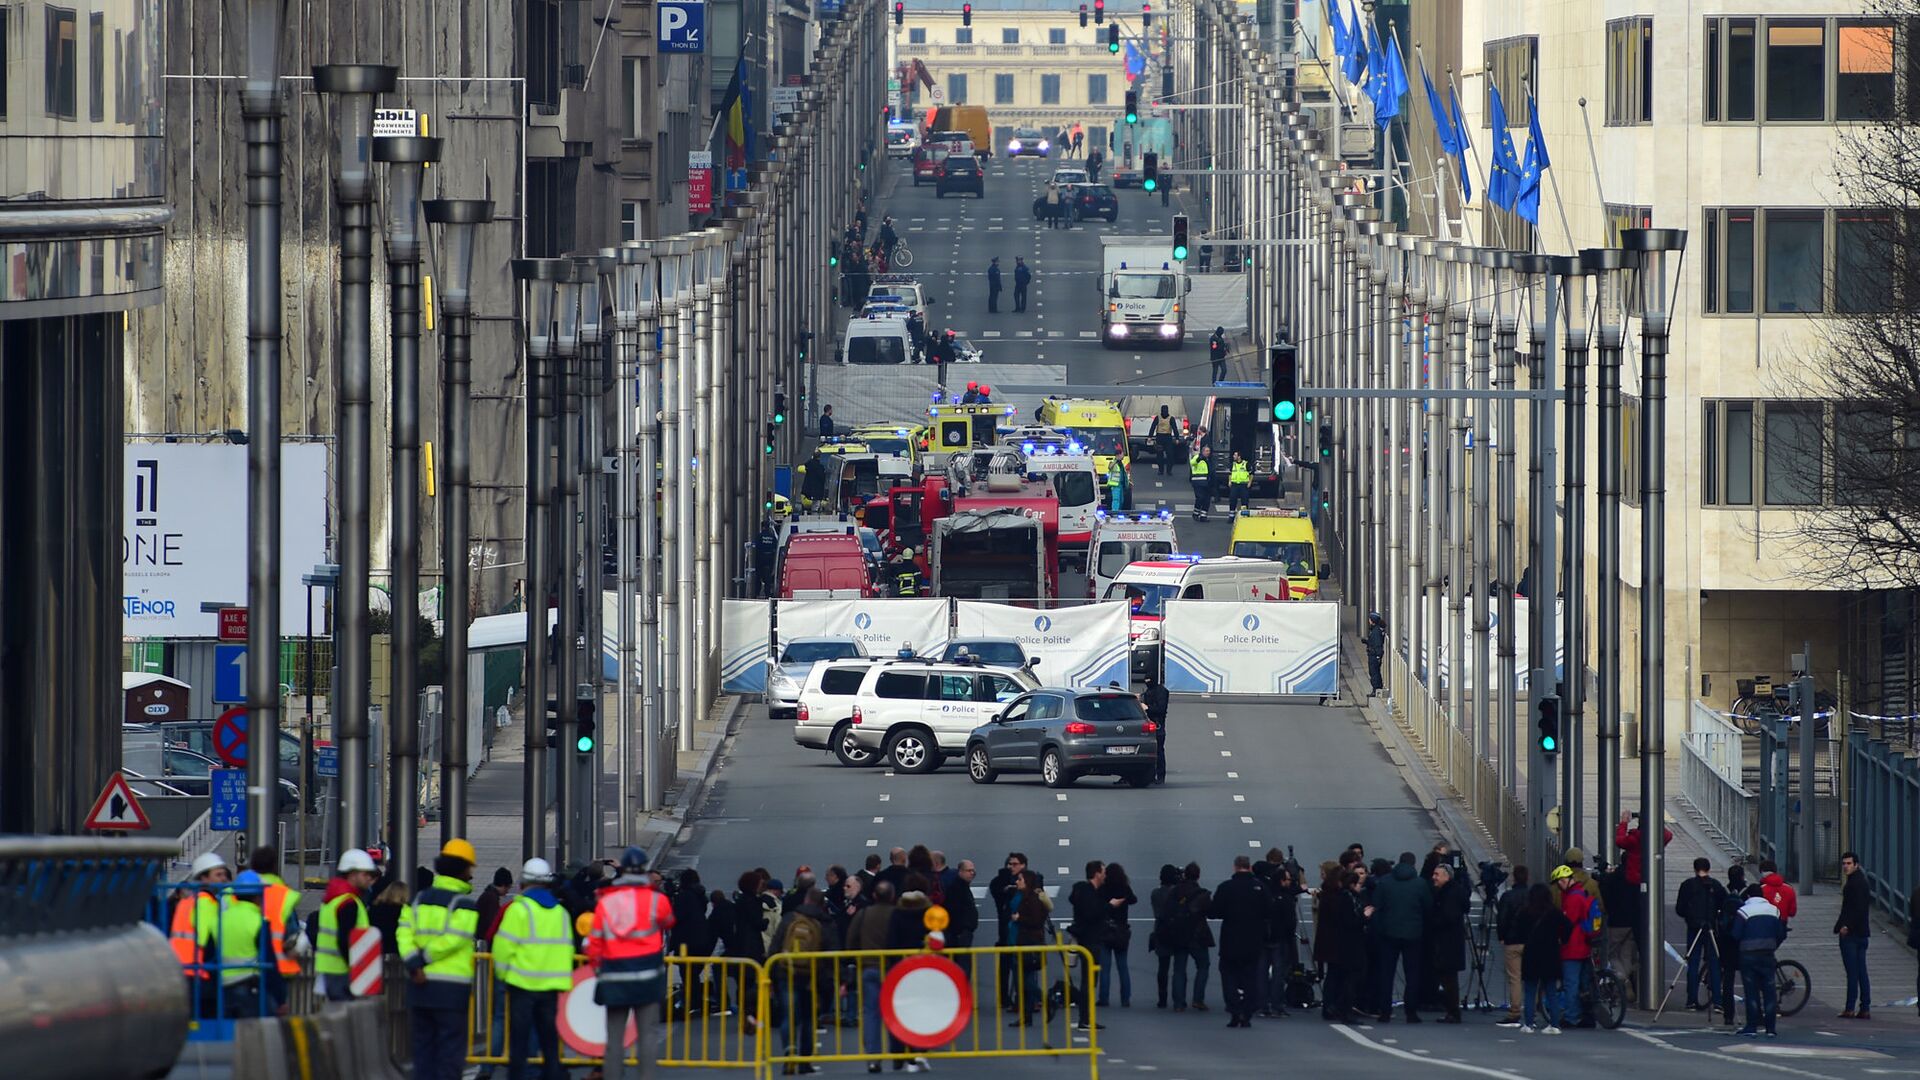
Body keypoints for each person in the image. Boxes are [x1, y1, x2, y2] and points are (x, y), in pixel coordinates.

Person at [398, 838, 481, 1080]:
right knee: (449, 1053)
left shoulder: (417, 900)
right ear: (465, 869)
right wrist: (424, 959)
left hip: (419, 986)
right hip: (451, 990)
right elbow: (454, 939)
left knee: (422, 1051)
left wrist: (414, 964)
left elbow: (403, 932)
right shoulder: (464, 905)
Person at [590, 848, 675, 1080]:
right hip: (647, 976)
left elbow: (594, 942)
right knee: (647, 1035)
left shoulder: (607, 901)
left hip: (614, 976)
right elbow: (669, 921)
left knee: (614, 1038)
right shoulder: (657, 900)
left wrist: (598, 968)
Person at [492, 858, 571, 1080]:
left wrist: (503, 975)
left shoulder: (519, 910)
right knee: (549, 1044)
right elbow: (566, 950)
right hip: (551, 989)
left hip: (521, 986)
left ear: (523, 883)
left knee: (519, 1043)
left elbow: (502, 947)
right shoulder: (560, 913)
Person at [200, 870, 288, 1020]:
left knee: (229, 1037)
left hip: (223, 992)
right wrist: (280, 999)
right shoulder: (259, 922)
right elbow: (269, 962)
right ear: (258, 897)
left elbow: (208, 958)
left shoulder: (219, 920)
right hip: (251, 990)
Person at [1370, 851, 1431, 1023]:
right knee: (1412, 974)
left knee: (1386, 974)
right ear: (1413, 864)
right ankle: (1411, 1011)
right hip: (1413, 933)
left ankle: (1385, 1011)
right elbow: (1428, 907)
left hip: (1388, 933)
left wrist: (1381, 928)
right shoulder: (1420, 884)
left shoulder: (1385, 882)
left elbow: (1377, 907)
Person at [314, 848, 379, 1002]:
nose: (369, 879)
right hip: (345, 972)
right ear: (352, 874)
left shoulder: (333, 899)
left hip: (330, 970)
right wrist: (360, 967)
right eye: (365, 874)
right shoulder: (348, 902)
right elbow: (345, 939)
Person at [1506, 883, 1571, 1033]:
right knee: (1551, 991)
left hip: (1532, 954)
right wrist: (1561, 939)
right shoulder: (1555, 912)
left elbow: (1518, 932)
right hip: (1551, 954)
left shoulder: (1525, 912)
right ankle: (1554, 1024)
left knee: (1530, 991)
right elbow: (1567, 928)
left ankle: (1529, 1023)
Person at [1212, 856, 1267, 1028]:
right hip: (1253, 939)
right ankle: (1248, 1011)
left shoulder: (1226, 887)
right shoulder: (1259, 888)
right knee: (1250, 977)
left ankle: (1234, 1009)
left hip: (1230, 939)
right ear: (1249, 867)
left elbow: (1214, 912)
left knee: (1229, 976)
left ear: (1235, 867)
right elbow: (1269, 910)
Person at [170, 851, 230, 1009]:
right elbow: (207, 941)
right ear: (204, 878)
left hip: (181, 972)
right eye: (218, 875)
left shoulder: (187, 902)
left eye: (223, 874)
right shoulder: (206, 903)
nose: (223, 879)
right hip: (200, 974)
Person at [1672, 856, 1728, 1013]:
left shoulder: (1688, 885)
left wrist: (1690, 917)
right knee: (1714, 965)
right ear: (1709, 868)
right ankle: (1718, 1002)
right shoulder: (1716, 886)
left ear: (1695, 869)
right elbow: (1724, 904)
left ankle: (1691, 1001)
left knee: (1693, 963)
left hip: (1694, 928)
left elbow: (1679, 909)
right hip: (1710, 928)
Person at [248, 846, 304, 1003]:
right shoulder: (283, 894)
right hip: (277, 970)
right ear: (274, 865)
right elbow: (292, 932)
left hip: (240, 971)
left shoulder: (233, 892)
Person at [1734, 884, 1786, 1037]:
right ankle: (1771, 1028)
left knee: (1751, 991)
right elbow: (1781, 933)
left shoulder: (1743, 911)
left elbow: (1736, 934)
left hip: (1748, 955)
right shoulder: (1774, 910)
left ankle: (1752, 1026)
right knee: (1769, 991)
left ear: (1749, 896)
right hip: (1768, 954)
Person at [1319, 869, 1371, 1023]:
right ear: (1353, 884)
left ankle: (1332, 1007)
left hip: (1339, 944)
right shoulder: (1348, 899)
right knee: (1350, 978)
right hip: (1349, 945)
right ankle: (1344, 1009)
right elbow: (1350, 922)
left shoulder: (1338, 896)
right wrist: (1364, 917)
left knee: (1336, 976)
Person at [1549, 864, 1593, 1030]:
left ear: (1565, 880)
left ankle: (1571, 1017)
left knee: (1571, 984)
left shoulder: (1573, 898)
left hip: (1573, 948)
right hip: (1583, 945)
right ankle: (1585, 1015)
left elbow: (1568, 922)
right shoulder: (1581, 893)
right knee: (1582, 984)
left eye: (1559, 882)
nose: (1558, 887)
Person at [1066, 861, 1108, 1028]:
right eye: (1103, 872)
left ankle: (1086, 1017)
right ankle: (1085, 1018)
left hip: (1086, 939)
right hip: (1091, 940)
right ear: (1097, 874)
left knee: (1088, 981)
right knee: (1089, 981)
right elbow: (1092, 913)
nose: (1105, 875)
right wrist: (1107, 906)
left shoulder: (1082, 891)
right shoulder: (1090, 894)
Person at [1167, 862, 1213, 1012]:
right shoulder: (1201, 894)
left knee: (1179, 969)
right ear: (1198, 876)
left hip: (1179, 934)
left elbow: (1168, 910)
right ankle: (1198, 999)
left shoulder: (1175, 891)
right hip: (1198, 934)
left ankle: (1178, 1003)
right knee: (1203, 965)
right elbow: (1211, 912)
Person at [1426, 864, 1468, 1023]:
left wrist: (1433, 921)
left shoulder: (1448, 894)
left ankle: (1452, 1011)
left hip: (1446, 942)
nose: (1434, 877)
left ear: (1446, 876)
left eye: (1437, 874)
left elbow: (1447, 917)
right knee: (1449, 977)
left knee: (1448, 978)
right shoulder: (1455, 891)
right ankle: (1452, 1010)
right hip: (1452, 941)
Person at [1493, 866, 1531, 1024]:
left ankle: (1515, 1010)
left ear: (1514, 878)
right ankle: (1532, 1010)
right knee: (1531, 977)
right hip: (1530, 941)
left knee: (1514, 978)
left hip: (1512, 941)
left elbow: (1502, 918)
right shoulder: (1532, 896)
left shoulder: (1508, 896)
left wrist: (1502, 936)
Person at [989, 853, 1028, 1008]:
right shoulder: (999, 882)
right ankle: (1004, 998)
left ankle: (1024, 997)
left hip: (1025, 930)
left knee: (1025, 967)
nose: (1012, 867)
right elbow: (997, 893)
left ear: (1023, 865)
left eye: (1015, 864)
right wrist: (1006, 881)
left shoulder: (1030, 880)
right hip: (1005, 930)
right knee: (1005, 966)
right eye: (1010, 864)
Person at [1836, 851, 1872, 1019]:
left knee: (1852, 972)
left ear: (1856, 865)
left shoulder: (1853, 884)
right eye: (1844, 863)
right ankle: (1865, 1007)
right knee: (1861, 971)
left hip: (1851, 934)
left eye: (1849, 863)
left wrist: (1845, 927)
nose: (1845, 867)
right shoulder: (1862, 882)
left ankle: (1850, 1007)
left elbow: (1855, 910)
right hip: (1862, 933)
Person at [1098, 863, 1138, 1009]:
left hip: (1105, 930)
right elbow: (1134, 900)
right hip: (1121, 930)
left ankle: (1104, 997)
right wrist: (1124, 899)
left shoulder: (1103, 888)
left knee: (1105, 967)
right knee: (1123, 966)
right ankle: (1125, 998)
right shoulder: (1124, 888)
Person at [1598, 858, 1638, 1002]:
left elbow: (1604, 893)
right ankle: (1626, 979)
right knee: (1626, 955)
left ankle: (1623, 979)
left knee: (1613, 955)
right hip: (1631, 922)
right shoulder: (1634, 877)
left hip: (1615, 922)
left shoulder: (1612, 878)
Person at [1715, 864, 1749, 1026]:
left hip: (1726, 941)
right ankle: (1753, 1012)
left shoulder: (1723, 892)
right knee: (1748, 978)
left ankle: (1728, 1015)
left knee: (1728, 980)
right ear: (1742, 876)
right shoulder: (1748, 893)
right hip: (1743, 940)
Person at [1141, 674, 1170, 782]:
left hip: (1158, 726)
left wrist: (1147, 708)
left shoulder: (1161, 691)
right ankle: (1150, 775)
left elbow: (1161, 709)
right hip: (1147, 726)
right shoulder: (1147, 692)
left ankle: (1160, 776)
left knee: (1158, 751)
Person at [1149, 406, 1179, 476]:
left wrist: (1177, 438)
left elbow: (1175, 428)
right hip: (1159, 437)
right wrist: (1150, 436)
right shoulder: (1158, 417)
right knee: (1159, 455)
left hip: (1168, 437)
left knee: (1170, 455)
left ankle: (1169, 470)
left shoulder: (1171, 418)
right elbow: (1153, 426)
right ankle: (1161, 470)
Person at [1188, 445, 1212, 521]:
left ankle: (1203, 516)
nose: (1208, 452)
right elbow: (1192, 463)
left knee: (1207, 499)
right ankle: (1195, 513)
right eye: (1206, 451)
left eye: (1209, 451)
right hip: (1198, 482)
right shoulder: (1198, 457)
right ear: (1202, 451)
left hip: (1207, 482)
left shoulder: (1209, 459)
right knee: (1200, 498)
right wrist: (1199, 458)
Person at [1364, 612, 1386, 695]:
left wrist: (1378, 656)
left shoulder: (1376, 631)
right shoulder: (1376, 630)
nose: (1369, 621)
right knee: (1375, 672)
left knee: (1374, 672)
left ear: (1372, 620)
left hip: (1374, 655)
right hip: (1374, 654)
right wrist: (1366, 642)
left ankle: (1376, 689)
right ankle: (1376, 688)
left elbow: (1377, 644)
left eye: (1370, 619)